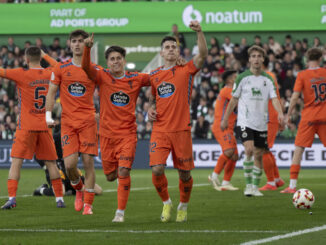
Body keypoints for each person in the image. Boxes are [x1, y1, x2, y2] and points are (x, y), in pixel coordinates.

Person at [81, 34, 151, 222]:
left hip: (127, 135)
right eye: (112, 59)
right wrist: (87, 48)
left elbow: (158, 79)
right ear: (108, 63)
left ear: (124, 60)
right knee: (111, 176)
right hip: (105, 136)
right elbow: (86, 67)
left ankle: (119, 213)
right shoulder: (102, 76)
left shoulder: (136, 78)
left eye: (119, 58)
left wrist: (174, 65)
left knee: (123, 172)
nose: (115, 62)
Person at [148, 20, 207, 222]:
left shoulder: (186, 69)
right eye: (167, 47)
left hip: (181, 130)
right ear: (161, 53)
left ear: (178, 51)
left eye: (174, 47)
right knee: (157, 169)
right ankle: (166, 203)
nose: (171, 49)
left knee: (184, 174)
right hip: (160, 130)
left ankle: (183, 205)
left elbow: (203, 55)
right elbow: (152, 98)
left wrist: (199, 32)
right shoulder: (154, 75)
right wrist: (150, 109)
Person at [0, 47, 65, 209]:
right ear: (41, 57)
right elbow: (61, 67)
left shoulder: (21, 73)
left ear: (27, 59)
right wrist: (46, 56)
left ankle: (12, 199)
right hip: (45, 125)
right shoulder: (51, 72)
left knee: (16, 162)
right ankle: (59, 200)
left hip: (26, 126)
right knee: (52, 164)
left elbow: (1, 71)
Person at [45, 29, 98, 215]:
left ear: (86, 44)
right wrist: (48, 116)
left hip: (88, 122)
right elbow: (51, 92)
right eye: (74, 41)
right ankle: (78, 189)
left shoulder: (93, 69)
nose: (77, 44)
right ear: (69, 44)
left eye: (80, 41)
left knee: (88, 162)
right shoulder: (61, 68)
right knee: (69, 166)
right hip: (68, 123)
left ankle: (88, 205)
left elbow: (111, 86)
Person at [220, 45, 284, 197]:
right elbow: (234, 99)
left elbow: (274, 98)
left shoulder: (268, 79)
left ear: (263, 59)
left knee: (259, 155)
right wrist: (225, 119)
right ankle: (248, 186)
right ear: (249, 59)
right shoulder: (242, 78)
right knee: (249, 150)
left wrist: (280, 113)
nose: (256, 59)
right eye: (253, 56)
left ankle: (255, 187)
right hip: (245, 122)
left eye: (259, 56)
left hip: (261, 123)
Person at [281, 48, 326, 193]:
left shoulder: (302, 75)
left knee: (299, 149)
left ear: (307, 59)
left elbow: (294, 97)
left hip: (309, 116)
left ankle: (292, 186)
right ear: (320, 58)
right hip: (325, 115)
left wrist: (288, 114)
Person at [34, 123, 102, 197]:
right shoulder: (57, 137)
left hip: (70, 172)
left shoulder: (80, 139)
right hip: (58, 169)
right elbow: (37, 153)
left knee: (98, 190)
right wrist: (48, 167)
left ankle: (72, 189)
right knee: (60, 192)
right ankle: (42, 189)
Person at [209, 70, 239, 191]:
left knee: (235, 156)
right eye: (235, 77)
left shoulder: (229, 90)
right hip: (222, 126)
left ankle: (226, 182)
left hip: (228, 127)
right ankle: (214, 175)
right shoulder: (228, 90)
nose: (237, 78)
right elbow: (238, 101)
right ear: (230, 80)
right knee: (229, 151)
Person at [259, 57, 285, 191]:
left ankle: (271, 183)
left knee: (262, 149)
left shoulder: (265, 77)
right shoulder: (270, 76)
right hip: (270, 116)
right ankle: (277, 179)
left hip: (268, 117)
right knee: (266, 149)